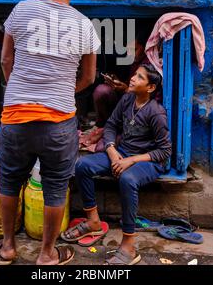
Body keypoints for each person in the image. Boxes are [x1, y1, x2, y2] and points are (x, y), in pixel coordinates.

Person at [0, 0, 100, 266]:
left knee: (9, 181)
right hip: (59, 120)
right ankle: (46, 254)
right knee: (55, 187)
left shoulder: (21, 10)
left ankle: (8, 247)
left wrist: (16, 88)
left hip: (16, 115)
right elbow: (89, 77)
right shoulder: (83, 25)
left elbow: (5, 60)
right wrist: (64, 91)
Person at [61, 64, 172, 265]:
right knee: (82, 165)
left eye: (139, 77)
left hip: (148, 161)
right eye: (135, 74)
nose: (132, 78)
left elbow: (164, 151)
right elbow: (111, 125)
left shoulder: (156, 113)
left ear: (150, 88)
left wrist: (131, 160)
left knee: (127, 179)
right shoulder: (128, 99)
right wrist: (112, 150)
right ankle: (93, 221)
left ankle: (129, 245)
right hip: (121, 153)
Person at [93, 30, 150, 129]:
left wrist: (125, 89)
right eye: (128, 49)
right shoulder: (133, 62)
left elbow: (143, 95)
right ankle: (104, 127)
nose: (130, 53)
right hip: (125, 103)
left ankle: (112, 129)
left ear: (145, 48)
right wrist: (118, 82)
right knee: (101, 90)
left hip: (138, 112)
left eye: (134, 49)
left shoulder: (149, 65)